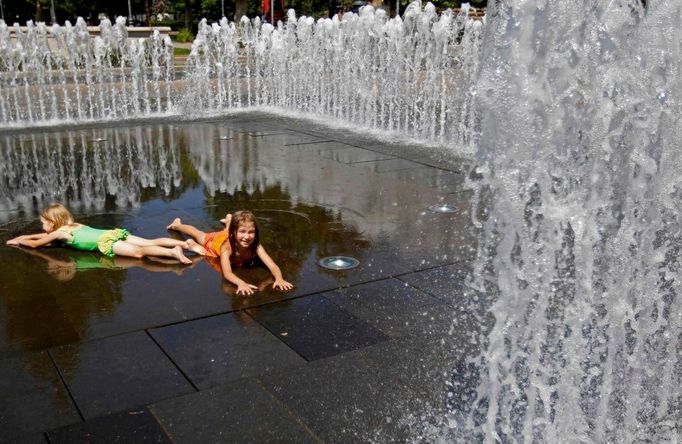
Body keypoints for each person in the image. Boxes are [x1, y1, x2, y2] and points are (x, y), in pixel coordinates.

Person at [6, 203, 205, 264]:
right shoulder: (73, 225)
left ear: (53, 223)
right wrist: (25, 237)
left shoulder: (59, 234)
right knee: (148, 241)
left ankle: (174, 253)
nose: (42, 228)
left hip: (106, 243)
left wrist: (20, 239)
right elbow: (42, 238)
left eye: (43, 224)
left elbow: (37, 244)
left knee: (140, 252)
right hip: (114, 233)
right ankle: (186, 245)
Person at [167, 210, 294, 295]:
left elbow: (272, 265)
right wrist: (241, 283)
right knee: (199, 234)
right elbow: (227, 273)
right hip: (214, 241)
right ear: (234, 233)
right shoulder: (226, 249)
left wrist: (279, 279)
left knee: (228, 231)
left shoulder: (256, 246)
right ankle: (177, 225)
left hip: (229, 234)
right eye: (243, 231)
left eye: (251, 232)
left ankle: (229, 222)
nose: (247, 236)